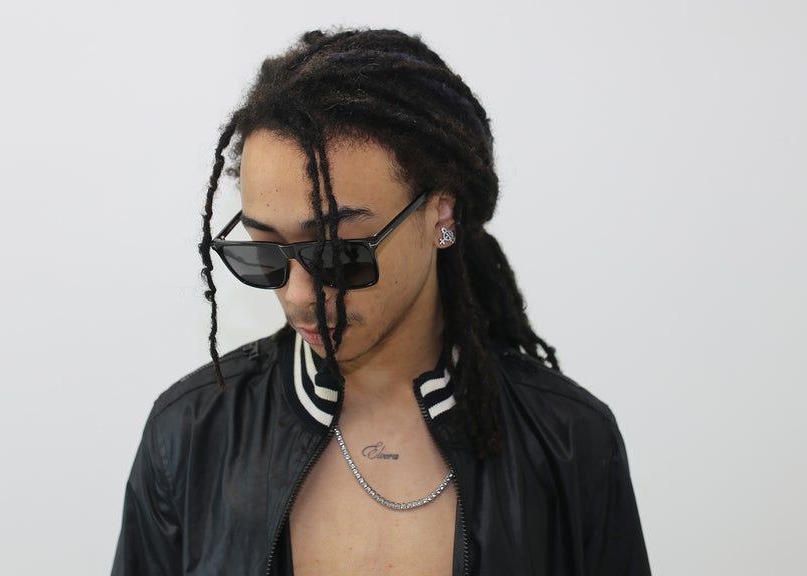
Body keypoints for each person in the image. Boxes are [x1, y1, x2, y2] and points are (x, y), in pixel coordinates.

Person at [111, 26, 651, 576]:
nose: (298, 296)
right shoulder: (189, 435)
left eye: (338, 254)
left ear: (441, 214)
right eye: (264, 252)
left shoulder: (568, 442)